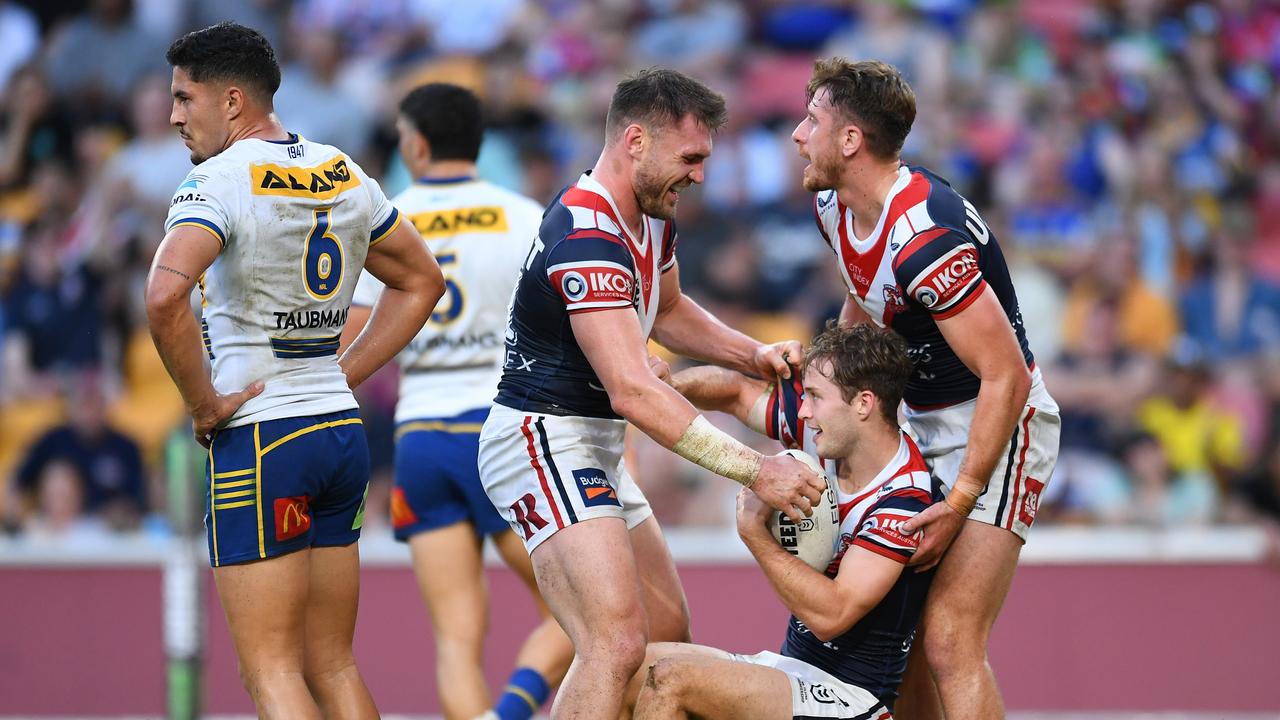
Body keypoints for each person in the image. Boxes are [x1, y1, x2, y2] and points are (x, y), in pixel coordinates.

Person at [477, 67, 826, 719]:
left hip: (592, 444)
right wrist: (757, 470)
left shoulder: (648, 210)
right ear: (635, 141)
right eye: (691, 157)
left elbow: (666, 310)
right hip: (542, 439)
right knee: (614, 645)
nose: (700, 175)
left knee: (668, 647)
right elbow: (634, 390)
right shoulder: (587, 234)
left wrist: (751, 352)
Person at [144, 23, 443, 719]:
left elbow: (163, 296)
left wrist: (203, 405)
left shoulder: (215, 180)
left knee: (272, 673)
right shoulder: (342, 170)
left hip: (261, 438)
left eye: (186, 99)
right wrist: (345, 371)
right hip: (338, 430)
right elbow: (421, 282)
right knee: (332, 664)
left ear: (233, 100)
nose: (173, 116)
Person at [791, 57, 1061, 720]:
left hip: (996, 424)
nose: (799, 135)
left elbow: (1007, 373)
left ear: (850, 140)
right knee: (899, 644)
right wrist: (821, 381)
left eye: (813, 121)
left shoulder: (923, 237)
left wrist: (963, 495)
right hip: (921, 421)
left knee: (949, 640)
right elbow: (863, 303)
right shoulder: (834, 207)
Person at [340, 83, 572, 720]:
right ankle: (513, 711)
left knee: (456, 638)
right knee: (582, 613)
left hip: (420, 438)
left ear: (414, 143)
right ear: (481, 144)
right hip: (502, 433)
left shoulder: (385, 222)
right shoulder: (525, 215)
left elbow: (360, 333)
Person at [624, 322, 943, 719]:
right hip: (793, 674)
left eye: (814, 397)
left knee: (670, 680)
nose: (804, 411)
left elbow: (833, 615)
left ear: (863, 403)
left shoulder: (903, 502)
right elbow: (735, 391)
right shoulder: (826, 435)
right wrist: (668, 390)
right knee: (630, 669)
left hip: (853, 698)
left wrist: (754, 534)